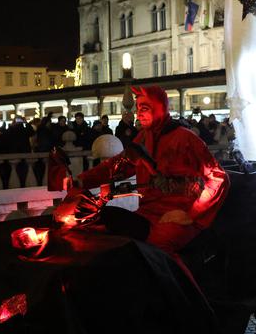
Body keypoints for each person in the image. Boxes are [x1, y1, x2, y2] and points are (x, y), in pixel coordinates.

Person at [73, 85, 229, 254]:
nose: (139, 114)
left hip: (178, 215)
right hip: (147, 213)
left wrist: (191, 214)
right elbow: (120, 163)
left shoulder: (186, 139)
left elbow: (219, 178)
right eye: (138, 108)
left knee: (156, 250)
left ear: (159, 108)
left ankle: (180, 280)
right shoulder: (144, 137)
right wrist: (83, 180)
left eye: (145, 108)